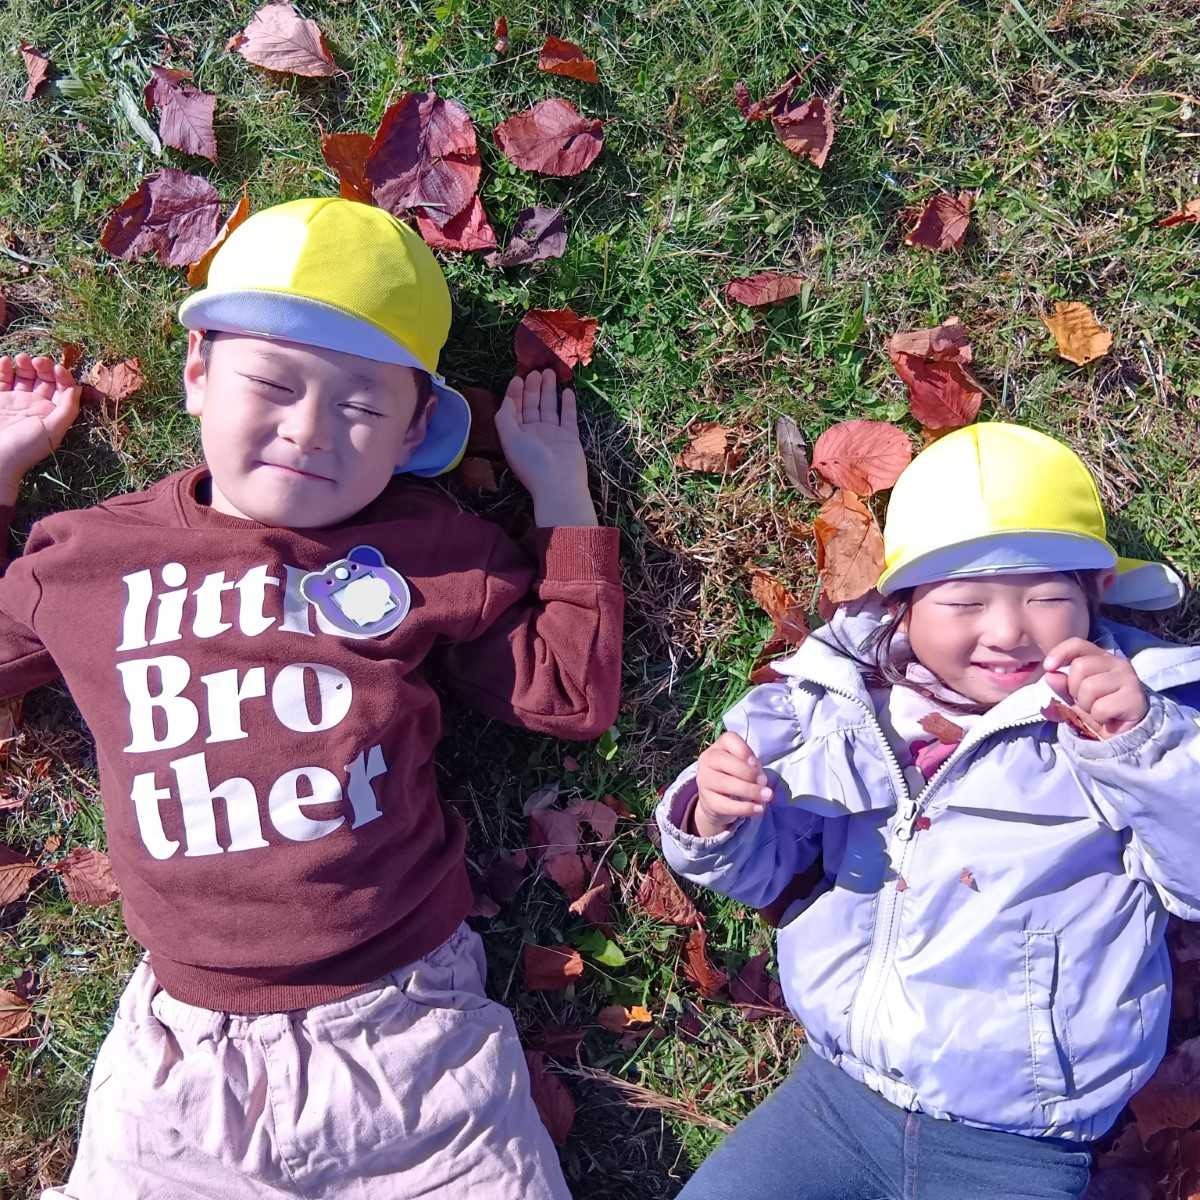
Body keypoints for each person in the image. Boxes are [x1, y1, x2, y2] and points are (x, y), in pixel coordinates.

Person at [0, 196, 622, 1199]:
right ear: (198, 375)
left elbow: (563, 695)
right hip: (183, 1069)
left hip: (410, 1041)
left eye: (362, 407)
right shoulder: (90, 559)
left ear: (417, 430)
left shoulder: (430, 552)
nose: (308, 429)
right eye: (272, 384)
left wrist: (561, 495)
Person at [657, 422, 1200, 1200]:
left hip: (1020, 1144)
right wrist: (719, 818)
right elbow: (769, 872)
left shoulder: (1135, 716)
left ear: (1096, 596)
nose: (1008, 630)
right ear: (902, 606)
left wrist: (1143, 746)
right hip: (831, 1104)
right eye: (966, 600)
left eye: (1047, 598)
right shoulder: (849, 708)